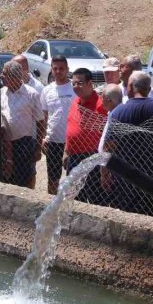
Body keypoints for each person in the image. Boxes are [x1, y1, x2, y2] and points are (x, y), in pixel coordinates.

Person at [103, 71, 153, 219]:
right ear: (148, 88)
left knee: (129, 218)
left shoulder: (119, 111)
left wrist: (105, 174)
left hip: (127, 177)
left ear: (130, 87)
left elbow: (109, 146)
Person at [64, 68, 109, 204]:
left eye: (80, 83)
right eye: (74, 83)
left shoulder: (101, 105)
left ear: (90, 83)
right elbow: (69, 127)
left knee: (96, 200)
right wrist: (66, 151)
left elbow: (108, 135)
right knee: (74, 199)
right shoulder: (75, 103)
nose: (76, 87)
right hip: (74, 158)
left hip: (93, 159)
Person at [1, 60, 45, 188]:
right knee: (7, 178)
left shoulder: (31, 94)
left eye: (4, 74)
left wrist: (38, 148)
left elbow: (40, 122)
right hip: (5, 143)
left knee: (26, 178)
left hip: (24, 144)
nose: (1, 76)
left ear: (14, 77)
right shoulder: (1, 93)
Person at [40, 56, 75, 194]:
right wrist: (43, 137)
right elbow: (44, 116)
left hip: (72, 142)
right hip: (53, 141)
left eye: (61, 68)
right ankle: (51, 206)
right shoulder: (46, 90)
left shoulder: (74, 88)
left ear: (67, 69)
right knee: (53, 179)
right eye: (55, 69)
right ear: (51, 70)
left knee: (72, 179)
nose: (58, 71)